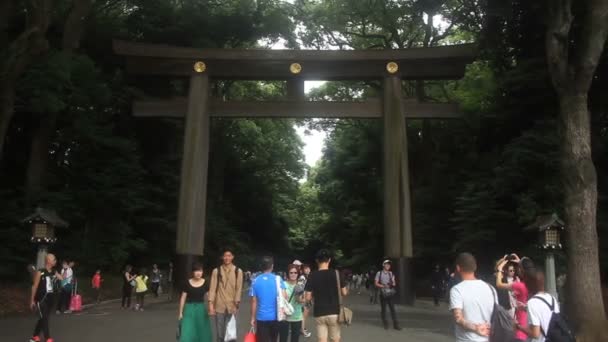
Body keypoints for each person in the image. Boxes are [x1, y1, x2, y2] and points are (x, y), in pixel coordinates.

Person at [449, 252, 496, 342]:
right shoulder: (490, 288)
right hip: (488, 338)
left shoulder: (457, 290)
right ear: (475, 267)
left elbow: (458, 318)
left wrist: (476, 328)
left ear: (458, 268)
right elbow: (495, 314)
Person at [304, 249, 348, 342]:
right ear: (329, 260)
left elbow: (307, 297)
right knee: (335, 339)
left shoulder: (312, 275)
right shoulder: (337, 273)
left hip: (319, 312)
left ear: (317, 260)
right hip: (334, 311)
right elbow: (344, 292)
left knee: (322, 339)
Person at [495, 255, 533, 341]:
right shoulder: (533, 284)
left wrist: (500, 268)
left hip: (520, 328)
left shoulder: (519, 285)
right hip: (529, 326)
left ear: (521, 270)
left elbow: (499, 284)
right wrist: (521, 263)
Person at [209, 249, 244, 342]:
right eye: (225, 256)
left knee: (231, 333)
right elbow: (212, 288)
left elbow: (239, 288)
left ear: (232, 257)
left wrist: (236, 305)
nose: (227, 258)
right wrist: (211, 305)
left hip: (232, 305)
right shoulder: (216, 271)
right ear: (222, 257)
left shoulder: (238, 271)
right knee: (220, 334)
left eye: (229, 255)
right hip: (219, 305)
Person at [516, 270, 561, 342]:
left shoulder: (532, 303)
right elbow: (546, 314)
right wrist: (525, 308)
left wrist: (518, 326)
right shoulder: (552, 298)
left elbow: (535, 334)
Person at [250, 256, 287, 342]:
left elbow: (254, 302)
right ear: (272, 266)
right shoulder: (278, 279)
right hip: (276, 317)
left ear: (261, 266)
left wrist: (252, 318)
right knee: (273, 339)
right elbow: (285, 297)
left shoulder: (255, 281)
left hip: (261, 318)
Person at [29, 253, 63, 342]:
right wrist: (32, 300)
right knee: (44, 318)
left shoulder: (54, 271)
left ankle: (34, 336)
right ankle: (48, 338)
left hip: (50, 299)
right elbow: (34, 287)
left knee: (43, 318)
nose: (55, 261)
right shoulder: (40, 272)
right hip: (41, 299)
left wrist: (61, 274)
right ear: (48, 261)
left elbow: (61, 278)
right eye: (54, 259)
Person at [178, 262, 213, 342]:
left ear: (202, 272)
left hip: (201, 309)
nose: (198, 273)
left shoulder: (205, 283)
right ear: (193, 272)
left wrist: (211, 308)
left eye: (200, 271)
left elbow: (209, 297)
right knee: (187, 330)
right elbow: (183, 298)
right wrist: (180, 313)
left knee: (202, 330)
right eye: (196, 271)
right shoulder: (187, 282)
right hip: (189, 309)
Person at [279, 264, 305, 342]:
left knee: (295, 339)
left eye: (295, 272)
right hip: (284, 316)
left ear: (298, 274)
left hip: (297, 315)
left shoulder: (301, 285)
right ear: (287, 273)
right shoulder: (283, 284)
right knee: (283, 338)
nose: (293, 274)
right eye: (291, 272)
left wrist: (299, 298)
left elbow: (304, 300)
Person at [375, 260, 401, 330]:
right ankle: (385, 324)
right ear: (383, 265)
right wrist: (383, 286)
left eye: (389, 265)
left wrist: (392, 284)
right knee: (384, 309)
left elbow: (394, 283)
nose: (388, 266)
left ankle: (396, 325)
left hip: (390, 293)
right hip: (383, 294)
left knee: (393, 309)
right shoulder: (379, 273)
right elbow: (376, 283)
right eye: (386, 264)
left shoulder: (391, 273)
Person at [299, 264, 312, 338]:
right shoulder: (302, 277)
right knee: (303, 316)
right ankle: (303, 331)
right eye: (306, 269)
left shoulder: (307, 277)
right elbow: (299, 288)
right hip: (304, 299)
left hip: (307, 299)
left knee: (305, 315)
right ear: (303, 270)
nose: (307, 270)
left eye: (308, 268)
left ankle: (302, 329)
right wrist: (302, 298)